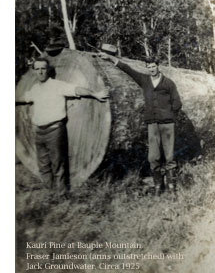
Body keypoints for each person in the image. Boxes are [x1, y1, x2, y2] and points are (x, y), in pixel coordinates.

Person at [16, 57, 109, 200]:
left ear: (47, 70)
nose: (40, 72)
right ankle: (50, 194)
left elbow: (76, 89)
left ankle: (61, 196)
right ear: (34, 71)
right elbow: (23, 98)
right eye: (37, 69)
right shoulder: (34, 89)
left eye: (43, 68)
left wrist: (94, 94)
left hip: (54, 130)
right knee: (43, 166)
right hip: (39, 132)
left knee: (58, 164)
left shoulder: (57, 85)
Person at [99, 53, 182, 196]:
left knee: (169, 156)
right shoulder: (144, 80)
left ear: (158, 66)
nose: (151, 69)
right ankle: (158, 187)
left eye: (153, 66)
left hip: (167, 124)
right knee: (153, 157)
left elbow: (177, 102)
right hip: (152, 124)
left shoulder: (168, 83)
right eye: (149, 67)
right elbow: (127, 69)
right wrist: (110, 58)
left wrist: (169, 115)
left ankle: (172, 188)